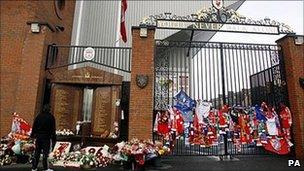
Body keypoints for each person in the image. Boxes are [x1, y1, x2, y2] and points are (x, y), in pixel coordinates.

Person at [30, 104, 56, 171]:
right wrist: (54, 138)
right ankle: (45, 168)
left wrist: (32, 135)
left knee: (37, 152)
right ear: (49, 109)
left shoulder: (38, 116)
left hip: (38, 137)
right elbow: (53, 129)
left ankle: (34, 167)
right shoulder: (51, 117)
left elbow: (34, 126)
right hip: (46, 137)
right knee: (45, 153)